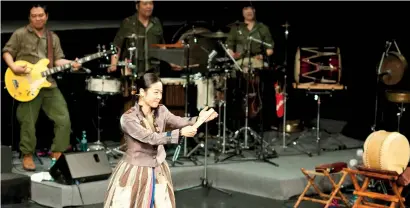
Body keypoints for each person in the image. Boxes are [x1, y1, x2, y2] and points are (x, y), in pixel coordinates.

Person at [104, 73, 218, 208]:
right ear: (142, 92)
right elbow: (150, 138)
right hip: (136, 169)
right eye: (155, 92)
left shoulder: (161, 110)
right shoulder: (128, 118)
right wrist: (180, 133)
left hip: (158, 167)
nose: (159, 96)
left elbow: (179, 121)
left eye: (161, 93)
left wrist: (200, 118)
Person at [2, 4, 81, 171]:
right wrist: (13, 67)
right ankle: (27, 154)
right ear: (29, 18)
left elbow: (58, 60)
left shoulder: (53, 37)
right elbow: (7, 52)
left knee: (63, 118)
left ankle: (58, 152)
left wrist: (71, 64)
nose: (37, 18)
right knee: (28, 122)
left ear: (46, 16)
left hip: (48, 83)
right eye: (33, 16)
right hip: (27, 84)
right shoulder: (20, 34)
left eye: (40, 15)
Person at [226, 4, 278, 130]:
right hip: (241, 60)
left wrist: (263, 55)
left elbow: (270, 48)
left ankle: (262, 118)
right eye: (245, 9)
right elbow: (228, 46)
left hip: (257, 59)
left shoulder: (262, 28)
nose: (249, 12)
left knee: (264, 84)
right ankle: (236, 118)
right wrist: (232, 54)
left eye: (251, 9)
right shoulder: (236, 28)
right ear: (242, 12)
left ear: (254, 11)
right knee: (233, 80)